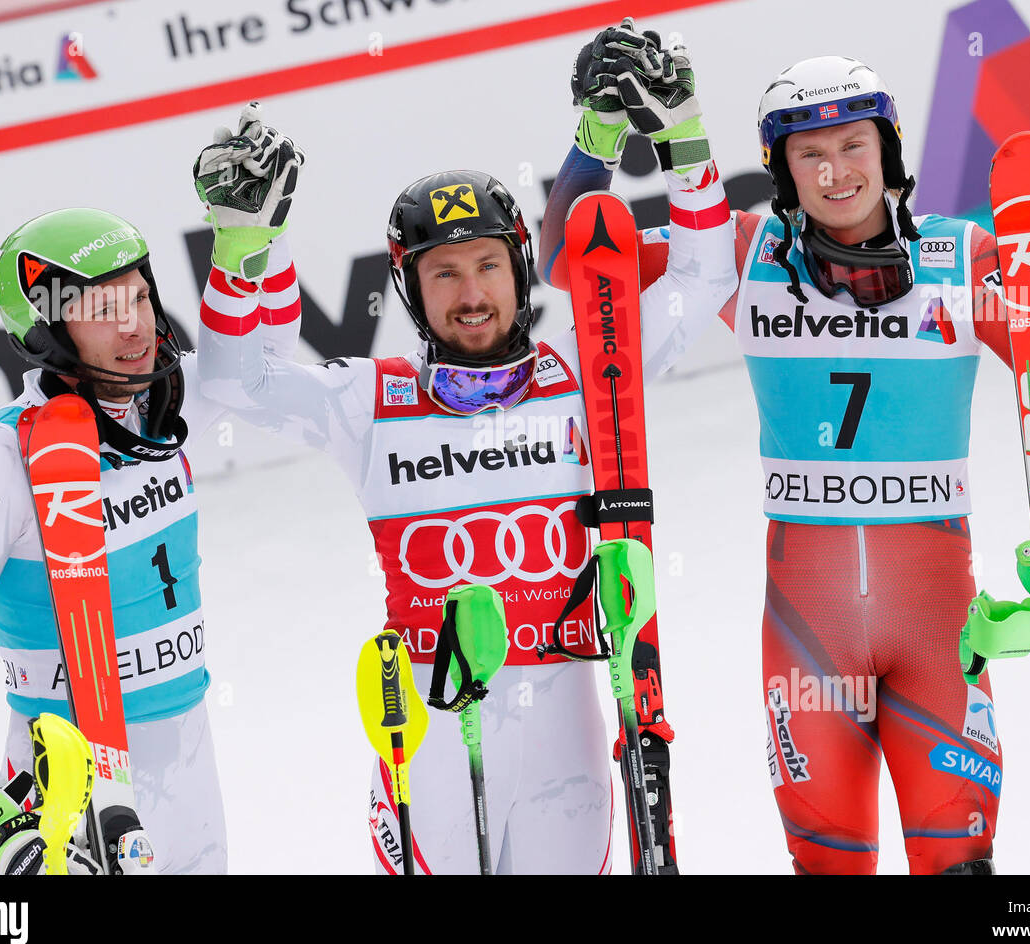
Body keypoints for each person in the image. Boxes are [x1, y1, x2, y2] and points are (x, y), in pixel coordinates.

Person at [543, 39, 1030, 873]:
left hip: (937, 631)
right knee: (829, 864)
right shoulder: (745, 256)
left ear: (888, 152)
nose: (836, 172)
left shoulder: (959, 260)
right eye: (810, 154)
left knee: (959, 863)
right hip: (806, 637)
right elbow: (576, 263)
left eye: (854, 145)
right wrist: (601, 131)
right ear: (782, 170)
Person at [194, 101, 736, 873]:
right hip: (432, 716)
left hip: (567, 713)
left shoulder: (589, 371)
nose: (470, 292)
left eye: (487, 264)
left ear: (519, 269)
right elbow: (233, 378)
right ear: (409, 288)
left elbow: (704, 273)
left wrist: (682, 130)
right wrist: (244, 245)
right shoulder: (368, 402)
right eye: (442, 272)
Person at [0, 129, 303, 874]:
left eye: (140, 295)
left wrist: (254, 243)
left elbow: (267, 364)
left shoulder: (167, 412)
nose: (132, 324)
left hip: (189, 763)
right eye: (99, 307)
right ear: (48, 332)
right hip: (67, 786)